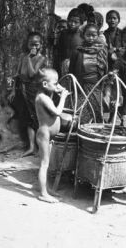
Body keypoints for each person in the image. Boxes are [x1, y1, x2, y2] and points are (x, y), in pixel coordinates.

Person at [8, 32, 47, 157]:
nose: (33, 47)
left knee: (36, 118)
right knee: (27, 119)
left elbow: (31, 74)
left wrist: (30, 58)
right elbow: (17, 75)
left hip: (34, 90)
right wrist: (13, 90)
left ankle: (40, 146)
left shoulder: (41, 58)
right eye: (31, 44)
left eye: (36, 44)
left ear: (41, 45)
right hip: (22, 90)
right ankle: (31, 147)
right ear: (27, 44)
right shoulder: (22, 57)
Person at [35, 68, 70, 203]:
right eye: (55, 83)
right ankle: (43, 193)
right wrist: (63, 97)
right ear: (44, 84)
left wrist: (57, 87)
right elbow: (57, 112)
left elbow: (55, 86)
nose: (57, 86)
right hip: (44, 134)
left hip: (49, 135)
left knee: (47, 164)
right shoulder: (42, 97)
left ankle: (46, 188)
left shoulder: (46, 93)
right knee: (44, 164)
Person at [69, 23, 108, 123]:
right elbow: (72, 70)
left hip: (96, 85)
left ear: (98, 35)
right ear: (83, 35)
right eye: (88, 35)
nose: (91, 38)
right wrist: (73, 86)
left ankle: (96, 133)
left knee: (96, 110)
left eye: (93, 35)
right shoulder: (77, 51)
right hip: (81, 85)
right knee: (81, 111)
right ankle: (80, 131)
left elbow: (105, 69)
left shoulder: (101, 50)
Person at [56, 8, 86, 75]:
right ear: (67, 20)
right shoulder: (63, 34)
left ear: (81, 23)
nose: (72, 24)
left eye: (76, 22)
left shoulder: (83, 36)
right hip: (63, 65)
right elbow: (60, 49)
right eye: (70, 21)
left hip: (77, 66)